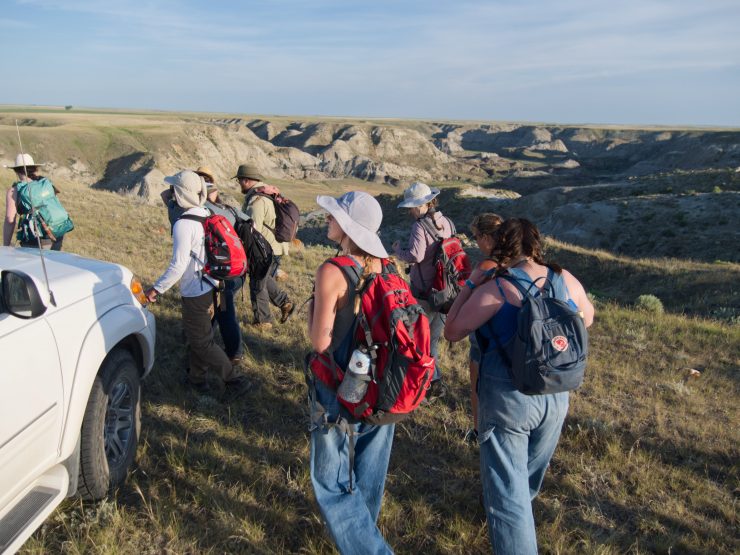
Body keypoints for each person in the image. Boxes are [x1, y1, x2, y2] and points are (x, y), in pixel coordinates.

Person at [444, 218, 594, 554]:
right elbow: (588, 317)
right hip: (556, 394)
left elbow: (452, 330)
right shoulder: (563, 278)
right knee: (524, 482)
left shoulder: (499, 288)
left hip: (508, 398)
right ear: (536, 243)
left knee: (508, 500)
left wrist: (470, 284)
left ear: (503, 245)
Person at [308, 191, 395, 555]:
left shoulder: (331, 270)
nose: (327, 219)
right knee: (368, 478)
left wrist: (314, 305)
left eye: (333, 216)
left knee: (331, 482)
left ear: (348, 228)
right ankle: (362, 538)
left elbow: (319, 343)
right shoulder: (386, 267)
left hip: (338, 388)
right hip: (383, 387)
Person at [145, 170, 250, 399]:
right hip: (213, 284)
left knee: (201, 342)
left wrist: (155, 289)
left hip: (196, 290)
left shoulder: (184, 224)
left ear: (180, 193)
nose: (171, 193)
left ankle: (234, 379)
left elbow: (178, 266)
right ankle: (197, 379)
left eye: (175, 190)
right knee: (200, 336)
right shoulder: (204, 212)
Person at [160, 166, 247, 363]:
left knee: (220, 313)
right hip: (232, 269)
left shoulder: (185, 214)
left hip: (211, 274)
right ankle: (231, 353)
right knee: (223, 311)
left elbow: (164, 194)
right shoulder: (221, 211)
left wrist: (157, 290)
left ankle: (226, 362)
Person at [392, 181, 454, 400]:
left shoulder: (420, 225)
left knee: (417, 338)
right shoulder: (445, 221)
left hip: (424, 291)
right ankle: (434, 382)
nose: (410, 210)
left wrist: (399, 250)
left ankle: (419, 382)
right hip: (445, 291)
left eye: (412, 206)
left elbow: (416, 256)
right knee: (433, 339)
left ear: (421, 204)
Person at [234, 164, 294, 330]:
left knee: (257, 283)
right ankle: (285, 303)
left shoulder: (256, 201)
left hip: (264, 250)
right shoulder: (265, 194)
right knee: (265, 279)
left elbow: (252, 230)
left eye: (240, 181)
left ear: (246, 180)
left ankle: (263, 321)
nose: (239, 184)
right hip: (273, 247)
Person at [464, 212, 503, 443]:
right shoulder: (518, 262)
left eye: (477, 236)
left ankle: (479, 431)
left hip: (485, 337)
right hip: (509, 337)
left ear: (488, 238)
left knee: (478, 387)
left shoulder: (487, 267)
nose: (476, 242)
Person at [3, 153, 69, 250]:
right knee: (52, 262)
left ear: (16, 170)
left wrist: (6, 245)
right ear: (34, 168)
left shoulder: (14, 191)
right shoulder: (44, 182)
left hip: (35, 237)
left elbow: (10, 220)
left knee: (35, 264)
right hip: (58, 232)